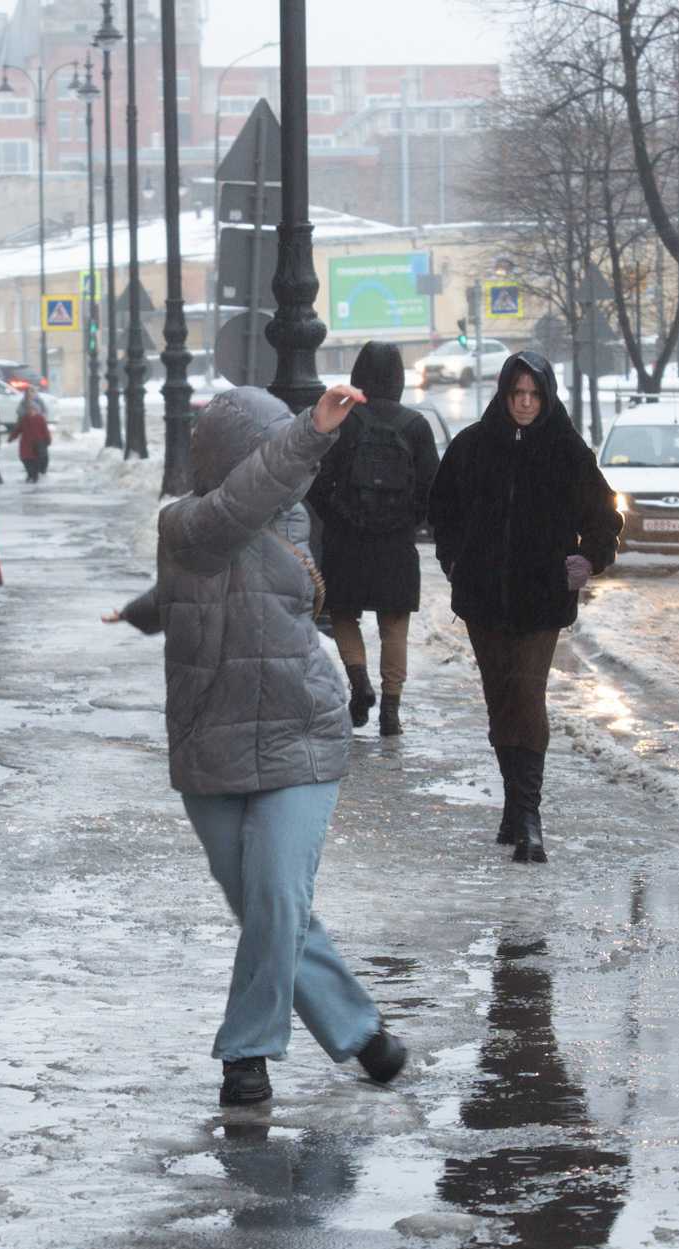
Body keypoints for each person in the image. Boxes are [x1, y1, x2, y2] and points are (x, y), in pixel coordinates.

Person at [106, 383, 410, 1108]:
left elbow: (252, 510)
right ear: (235, 458)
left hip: (299, 732)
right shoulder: (185, 523)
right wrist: (145, 613)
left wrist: (310, 433)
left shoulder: (290, 517)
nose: (292, 472)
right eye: (273, 451)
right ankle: (361, 1033)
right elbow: (206, 549)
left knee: (276, 892)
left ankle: (247, 1054)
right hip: (210, 740)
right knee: (271, 910)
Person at [427, 352, 622, 864]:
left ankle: (529, 817)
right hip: (483, 599)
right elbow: (441, 509)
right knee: (500, 699)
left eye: (534, 395)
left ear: (547, 395)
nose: (525, 403)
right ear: (504, 394)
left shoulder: (567, 451)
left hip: (542, 597)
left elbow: (604, 514)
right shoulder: (472, 446)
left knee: (527, 693)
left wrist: (589, 559)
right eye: (517, 394)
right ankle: (513, 806)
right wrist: (455, 560)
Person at [306, 341, 440, 737]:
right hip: (395, 544)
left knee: (345, 614)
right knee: (394, 625)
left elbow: (316, 478)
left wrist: (336, 518)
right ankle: (391, 709)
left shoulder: (345, 421)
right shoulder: (416, 425)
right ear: (399, 378)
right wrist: (407, 520)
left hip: (347, 541)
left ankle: (359, 682)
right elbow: (432, 487)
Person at [11, 392, 51, 483]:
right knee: (24, 459)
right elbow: (18, 429)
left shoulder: (40, 419)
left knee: (35, 460)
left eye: (32, 409)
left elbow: (45, 431)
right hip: (25, 444)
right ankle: (30, 474)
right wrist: (12, 437)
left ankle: (33, 476)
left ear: (35, 410)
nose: (30, 411)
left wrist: (48, 441)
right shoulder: (24, 419)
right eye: (29, 409)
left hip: (36, 444)